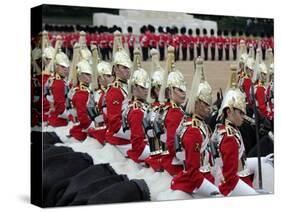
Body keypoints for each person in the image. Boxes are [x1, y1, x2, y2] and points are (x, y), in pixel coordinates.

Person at [171, 57, 219, 197]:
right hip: (197, 184)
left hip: (206, 175)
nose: (209, 109)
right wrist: (214, 192)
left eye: (210, 105)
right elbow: (193, 172)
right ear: (196, 103)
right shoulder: (193, 131)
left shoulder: (199, 123)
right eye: (206, 104)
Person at [212, 64, 258, 196]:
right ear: (229, 111)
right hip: (234, 186)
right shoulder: (229, 138)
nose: (243, 117)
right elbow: (231, 179)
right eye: (241, 113)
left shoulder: (224, 128)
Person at [155, 46, 187, 176]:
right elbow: (172, 144)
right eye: (180, 90)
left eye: (184, 90)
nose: (184, 94)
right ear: (170, 91)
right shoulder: (174, 113)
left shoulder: (169, 107)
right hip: (175, 164)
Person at [105, 30, 133, 153]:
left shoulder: (129, 86)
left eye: (128, 67)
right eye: (124, 67)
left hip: (132, 138)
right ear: (115, 69)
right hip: (122, 142)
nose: (128, 71)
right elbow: (115, 125)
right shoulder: (115, 91)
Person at [87, 45, 114, 144]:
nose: (112, 78)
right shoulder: (98, 94)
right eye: (108, 76)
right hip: (102, 131)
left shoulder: (112, 90)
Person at [123, 67, 151, 163]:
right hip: (142, 154)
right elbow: (138, 145)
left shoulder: (138, 105)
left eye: (147, 87)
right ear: (134, 87)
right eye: (143, 88)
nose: (146, 91)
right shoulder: (137, 111)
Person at [68, 60, 93, 141]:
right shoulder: (81, 93)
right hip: (81, 133)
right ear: (79, 76)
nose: (90, 76)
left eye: (91, 74)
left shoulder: (82, 89)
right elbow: (83, 119)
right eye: (87, 74)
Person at [46, 51, 70, 127]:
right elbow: (61, 110)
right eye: (63, 67)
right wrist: (73, 117)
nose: (66, 69)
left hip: (54, 119)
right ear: (56, 66)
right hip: (60, 122)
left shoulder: (53, 79)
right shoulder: (59, 83)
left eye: (67, 67)